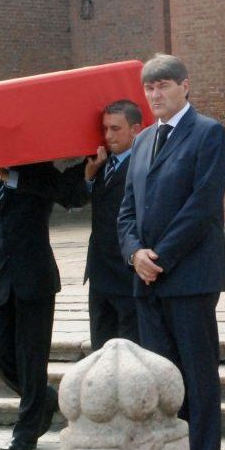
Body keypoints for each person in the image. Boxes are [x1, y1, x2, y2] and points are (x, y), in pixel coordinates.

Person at [118, 54, 225, 450]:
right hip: (147, 278)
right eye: (149, 88)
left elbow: (202, 206)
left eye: (163, 85)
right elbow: (127, 208)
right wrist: (134, 254)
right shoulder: (144, 139)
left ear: (185, 86)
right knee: (160, 377)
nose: (155, 94)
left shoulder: (207, 134)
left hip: (190, 276)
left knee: (197, 372)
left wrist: (160, 257)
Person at [0, 158, 83, 450]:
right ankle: (45, 398)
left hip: (34, 277)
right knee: (0, 353)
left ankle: (26, 431)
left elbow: (69, 196)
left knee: (32, 359)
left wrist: (6, 174)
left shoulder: (37, 171)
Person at [76, 99, 143, 348]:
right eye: (105, 129)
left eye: (116, 129)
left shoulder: (144, 162)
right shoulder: (99, 163)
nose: (108, 136)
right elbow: (74, 197)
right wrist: (90, 177)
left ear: (136, 129)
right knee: (100, 349)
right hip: (100, 273)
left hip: (128, 274)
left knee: (130, 350)